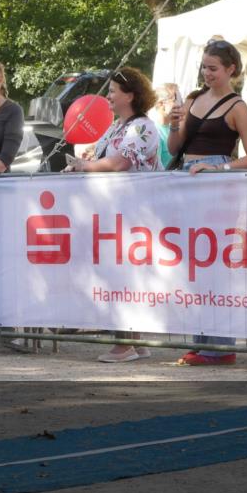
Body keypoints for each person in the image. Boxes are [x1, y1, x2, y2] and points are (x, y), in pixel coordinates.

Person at [166, 39, 247, 366]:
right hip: (190, 181)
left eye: (213, 68)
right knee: (195, 265)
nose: (207, 73)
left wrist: (219, 166)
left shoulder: (237, 107)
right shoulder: (194, 99)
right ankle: (202, 341)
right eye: (204, 67)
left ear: (230, 69)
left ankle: (219, 346)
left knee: (215, 266)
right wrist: (173, 122)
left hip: (218, 186)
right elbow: (175, 145)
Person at [64, 67, 161, 363]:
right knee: (121, 273)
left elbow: (119, 163)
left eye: (113, 91)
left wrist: (84, 167)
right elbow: (99, 157)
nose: (108, 95)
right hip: (115, 210)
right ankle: (136, 340)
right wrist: (82, 164)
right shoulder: (118, 125)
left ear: (130, 95)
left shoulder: (142, 126)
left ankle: (124, 343)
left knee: (123, 275)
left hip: (133, 212)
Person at [151, 83, 182, 169]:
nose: (179, 103)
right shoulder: (154, 131)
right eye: (175, 99)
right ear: (161, 104)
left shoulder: (175, 129)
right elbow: (155, 168)